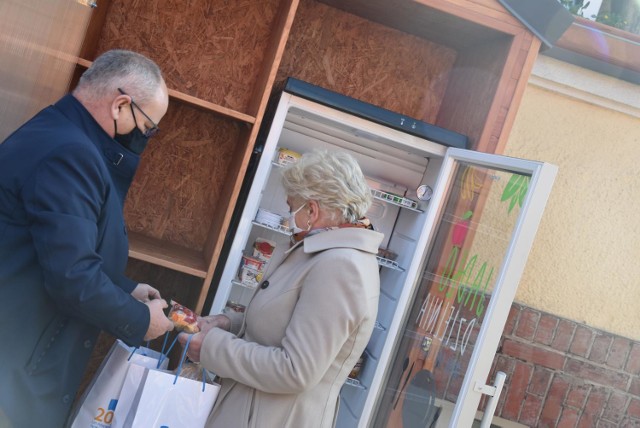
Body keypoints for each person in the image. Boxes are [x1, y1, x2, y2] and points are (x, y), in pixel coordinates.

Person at [0, 49, 175, 428]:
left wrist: (124, 289)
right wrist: (139, 320)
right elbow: (71, 276)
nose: (146, 138)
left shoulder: (62, 134)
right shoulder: (71, 153)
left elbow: (56, 248)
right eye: (148, 127)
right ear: (120, 106)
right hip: (12, 373)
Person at [179, 150, 384, 427]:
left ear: (312, 211)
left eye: (292, 207)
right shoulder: (328, 253)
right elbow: (285, 323)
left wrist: (212, 346)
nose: (289, 217)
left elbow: (295, 370)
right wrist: (227, 324)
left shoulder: (340, 266)